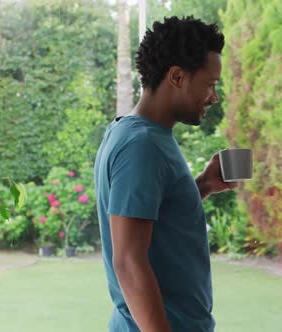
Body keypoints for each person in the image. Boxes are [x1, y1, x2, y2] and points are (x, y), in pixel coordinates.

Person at [94, 16, 236, 332]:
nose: (214, 97)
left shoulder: (142, 135)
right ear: (176, 76)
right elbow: (128, 263)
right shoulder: (141, 146)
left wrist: (203, 185)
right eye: (210, 85)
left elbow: (155, 215)